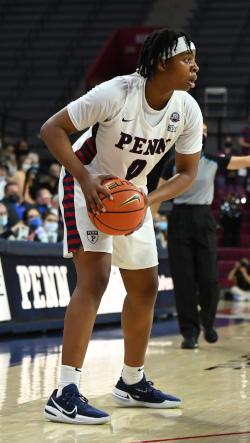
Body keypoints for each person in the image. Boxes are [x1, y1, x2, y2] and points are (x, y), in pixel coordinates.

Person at [40, 28, 202, 424]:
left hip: (133, 196)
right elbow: (52, 130)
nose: (195, 66)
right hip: (87, 183)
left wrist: (148, 200)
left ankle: (132, 380)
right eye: (187, 59)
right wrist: (84, 178)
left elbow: (186, 173)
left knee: (145, 285)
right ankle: (64, 391)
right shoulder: (116, 92)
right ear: (162, 62)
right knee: (94, 278)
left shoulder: (188, 109)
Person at [154, 127, 250, 349]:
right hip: (178, 219)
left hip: (204, 218)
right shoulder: (172, 164)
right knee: (184, 279)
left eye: (204, 132)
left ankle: (208, 323)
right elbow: (158, 195)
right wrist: (149, 219)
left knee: (209, 278)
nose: (200, 135)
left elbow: (245, 160)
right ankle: (190, 333)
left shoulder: (214, 160)